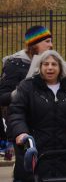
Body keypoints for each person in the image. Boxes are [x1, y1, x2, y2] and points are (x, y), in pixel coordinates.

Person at [7, 50, 66, 180]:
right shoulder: (27, 86)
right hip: (37, 147)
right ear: (40, 67)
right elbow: (17, 112)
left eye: (54, 64)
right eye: (46, 64)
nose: (50, 67)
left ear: (60, 67)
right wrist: (21, 133)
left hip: (65, 149)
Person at [0, 25, 53, 181]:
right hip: (23, 126)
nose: (51, 45)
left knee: (47, 168)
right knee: (26, 170)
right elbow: (2, 97)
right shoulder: (15, 64)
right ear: (34, 44)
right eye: (47, 41)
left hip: (47, 125)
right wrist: (21, 91)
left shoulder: (51, 63)